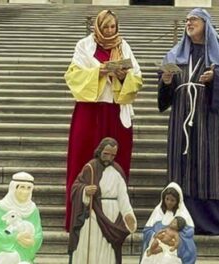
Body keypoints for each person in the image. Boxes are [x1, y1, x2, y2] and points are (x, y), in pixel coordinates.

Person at [157, 8, 219, 235]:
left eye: (193, 19)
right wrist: (165, 81)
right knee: (182, 165)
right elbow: (165, 94)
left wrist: (216, 78)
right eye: (187, 20)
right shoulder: (175, 54)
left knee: (211, 166)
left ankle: (213, 220)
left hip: (209, 119)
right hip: (181, 119)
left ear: (206, 23)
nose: (189, 23)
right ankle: (179, 213)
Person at [64, 9, 143, 231]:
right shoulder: (84, 46)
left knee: (116, 162)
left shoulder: (123, 47)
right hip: (90, 111)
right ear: (98, 27)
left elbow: (137, 78)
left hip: (116, 111)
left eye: (113, 27)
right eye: (106, 26)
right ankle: (79, 216)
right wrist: (99, 72)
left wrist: (122, 75)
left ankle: (112, 218)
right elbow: (72, 75)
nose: (110, 31)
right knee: (83, 156)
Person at [68, 137, 137, 264]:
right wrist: (85, 190)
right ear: (100, 151)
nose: (109, 158)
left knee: (107, 249)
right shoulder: (90, 167)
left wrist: (128, 214)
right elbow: (75, 188)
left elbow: (123, 196)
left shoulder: (117, 171)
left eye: (112, 155)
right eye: (106, 154)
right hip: (94, 214)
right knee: (92, 246)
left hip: (112, 214)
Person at [0, 172, 43, 264]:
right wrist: (15, 237)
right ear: (14, 188)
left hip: (25, 252)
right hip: (4, 250)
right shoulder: (2, 207)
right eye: (22, 187)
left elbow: (38, 232)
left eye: (28, 188)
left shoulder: (33, 209)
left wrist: (32, 241)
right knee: (11, 257)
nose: (25, 192)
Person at [141, 182, 196, 264]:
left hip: (170, 250)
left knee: (167, 259)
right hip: (157, 242)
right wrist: (155, 235)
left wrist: (172, 242)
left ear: (177, 201)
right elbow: (147, 230)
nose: (169, 202)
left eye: (172, 200)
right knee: (149, 257)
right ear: (163, 198)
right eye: (167, 199)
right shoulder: (158, 211)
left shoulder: (182, 215)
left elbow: (186, 237)